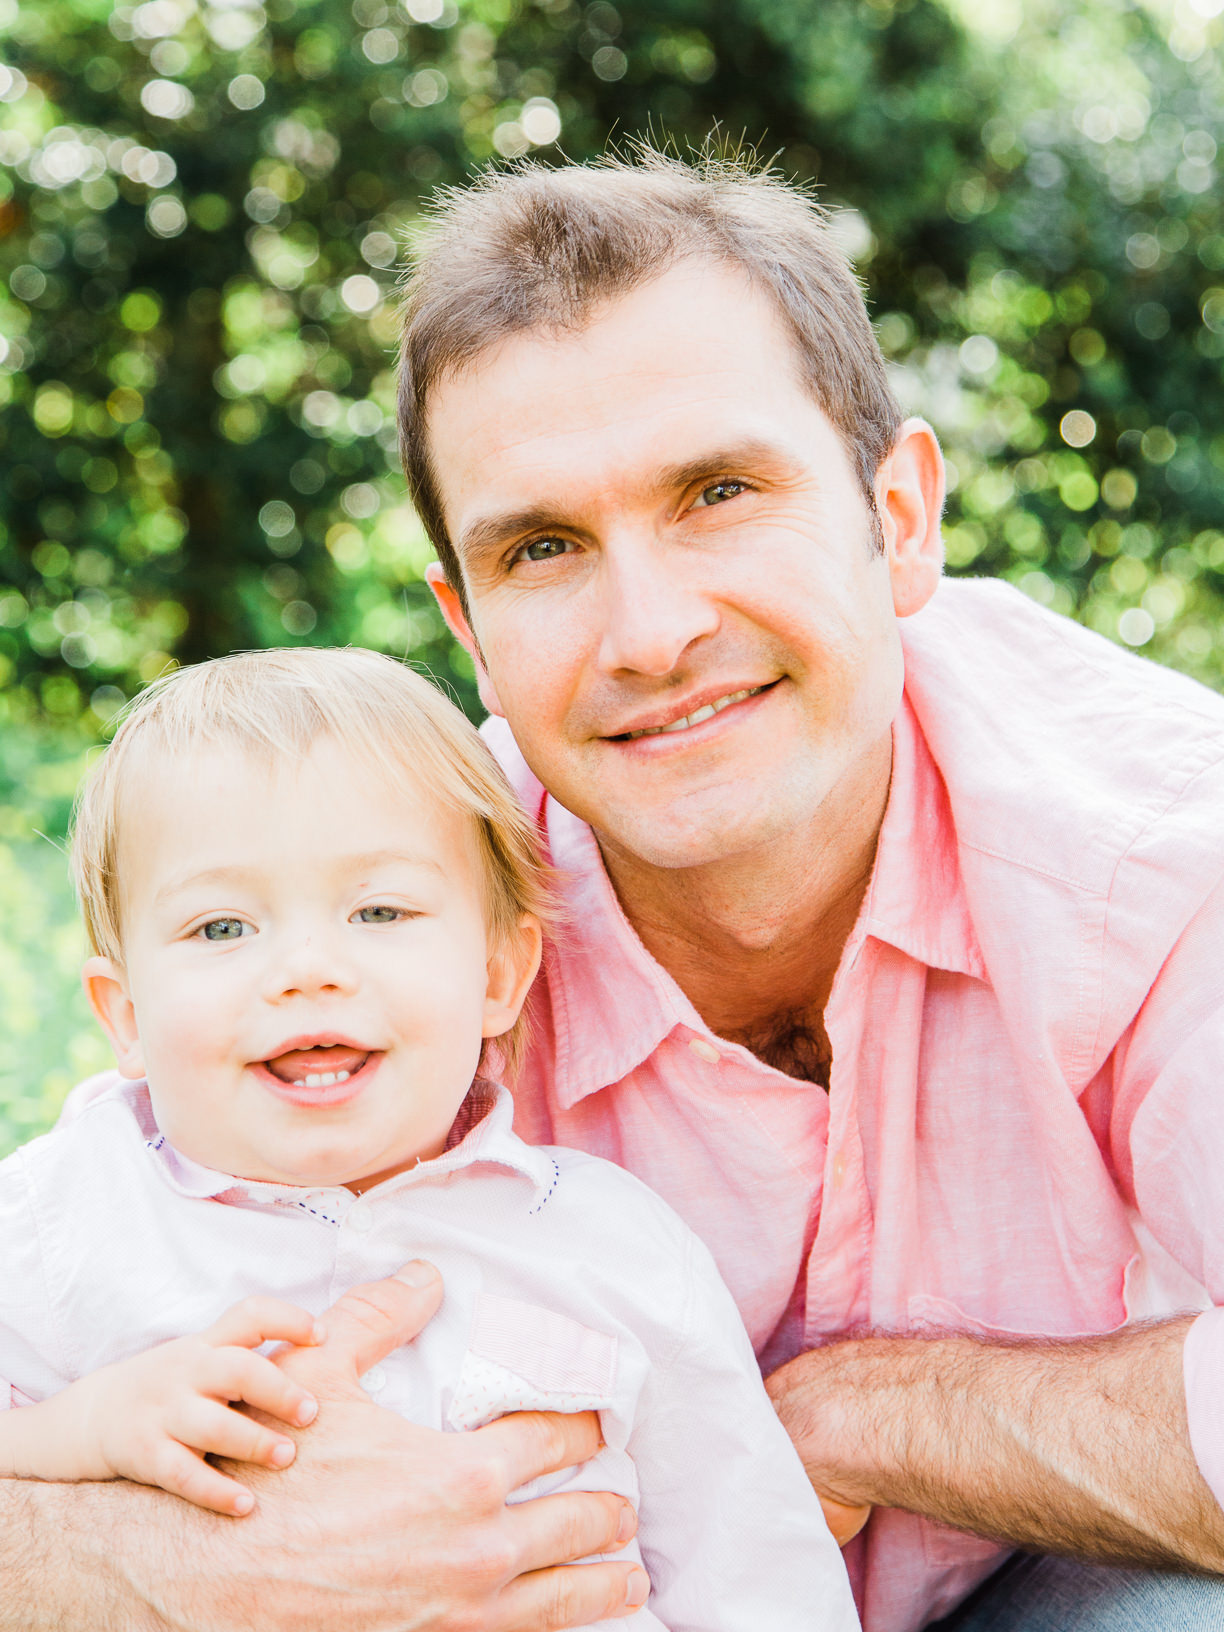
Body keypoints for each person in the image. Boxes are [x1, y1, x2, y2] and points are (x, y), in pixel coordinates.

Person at [6, 146, 1224, 1632]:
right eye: (543, 547)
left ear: (898, 516)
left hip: (1041, 1575)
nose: (648, 633)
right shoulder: (380, 913)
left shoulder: (1158, 853)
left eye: (719, 491)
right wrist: (176, 1563)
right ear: (466, 621)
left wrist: (867, 1419)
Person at [0, 646, 858, 1632]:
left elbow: (749, 1562)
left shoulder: (612, 1243)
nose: (307, 968)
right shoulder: (56, 1222)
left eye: (380, 910)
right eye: (223, 928)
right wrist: (85, 1431)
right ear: (126, 1017)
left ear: (498, 976)